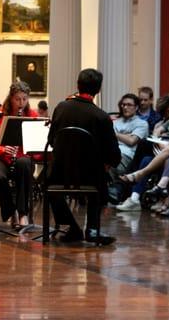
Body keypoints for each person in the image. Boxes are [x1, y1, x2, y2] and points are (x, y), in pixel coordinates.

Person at [47, 69, 121, 243]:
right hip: (91, 175)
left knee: (48, 183)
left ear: (77, 85)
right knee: (100, 176)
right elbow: (114, 155)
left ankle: (72, 227)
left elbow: (51, 140)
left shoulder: (61, 108)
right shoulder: (102, 117)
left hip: (61, 173)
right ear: (99, 89)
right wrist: (106, 162)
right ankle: (93, 230)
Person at [0, 81, 37, 229]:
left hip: (21, 158)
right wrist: (1, 150)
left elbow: (36, 144)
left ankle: (23, 213)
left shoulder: (32, 115)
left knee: (24, 165)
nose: (21, 103)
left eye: (24, 99)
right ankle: (11, 211)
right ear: (10, 98)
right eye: (18, 99)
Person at [111, 93, 149, 178]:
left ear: (136, 107)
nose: (125, 107)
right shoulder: (115, 122)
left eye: (129, 105)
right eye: (123, 105)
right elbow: (108, 138)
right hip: (111, 151)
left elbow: (131, 141)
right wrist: (126, 136)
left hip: (126, 156)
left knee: (109, 166)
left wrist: (115, 134)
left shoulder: (142, 123)